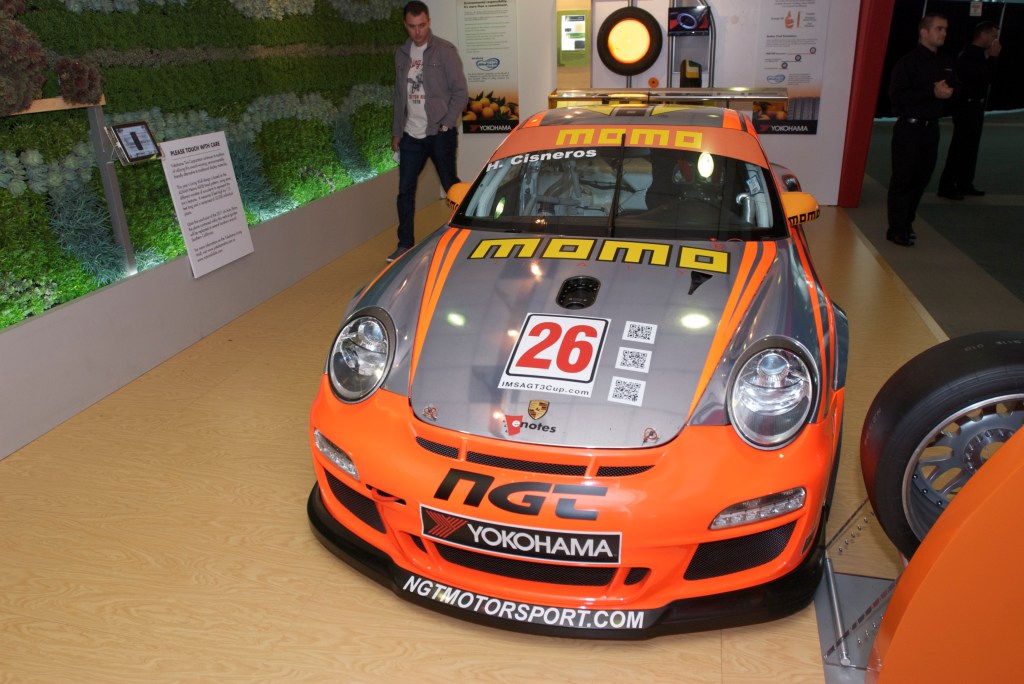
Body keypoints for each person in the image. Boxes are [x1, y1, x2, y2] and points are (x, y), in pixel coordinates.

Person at [389, 1, 468, 262]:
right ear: (405, 25)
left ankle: (465, 240)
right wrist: (397, 131)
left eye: (422, 25)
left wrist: (446, 123)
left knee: (452, 188)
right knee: (405, 191)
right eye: (412, 27)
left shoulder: (445, 51)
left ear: (429, 22)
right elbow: (399, 96)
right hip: (411, 135)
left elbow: (460, 93)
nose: (418, 32)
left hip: (439, 133)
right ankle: (404, 244)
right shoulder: (402, 54)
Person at [886, 13, 956, 247]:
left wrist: (950, 93)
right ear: (924, 32)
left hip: (931, 129)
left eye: (945, 29)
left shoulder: (945, 62)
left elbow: (956, 88)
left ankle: (907, 223)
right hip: (909, 129)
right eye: (939, 28)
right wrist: (931, 93)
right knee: (903, 179)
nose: (944, 33)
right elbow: (897, 98)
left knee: (921, 180)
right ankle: (896, 229)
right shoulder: (907, 63)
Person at [937, 21, 1001, 200]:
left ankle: (964, 182)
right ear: (983, 34)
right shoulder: (968, 55)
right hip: (966, 107)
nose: (994, 40)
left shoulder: (977, 54)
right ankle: (947, 185)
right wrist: (993, 58)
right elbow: (984, 78)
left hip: (975, 107)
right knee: (960, 147)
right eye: (993, 35)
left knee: (971, 148)